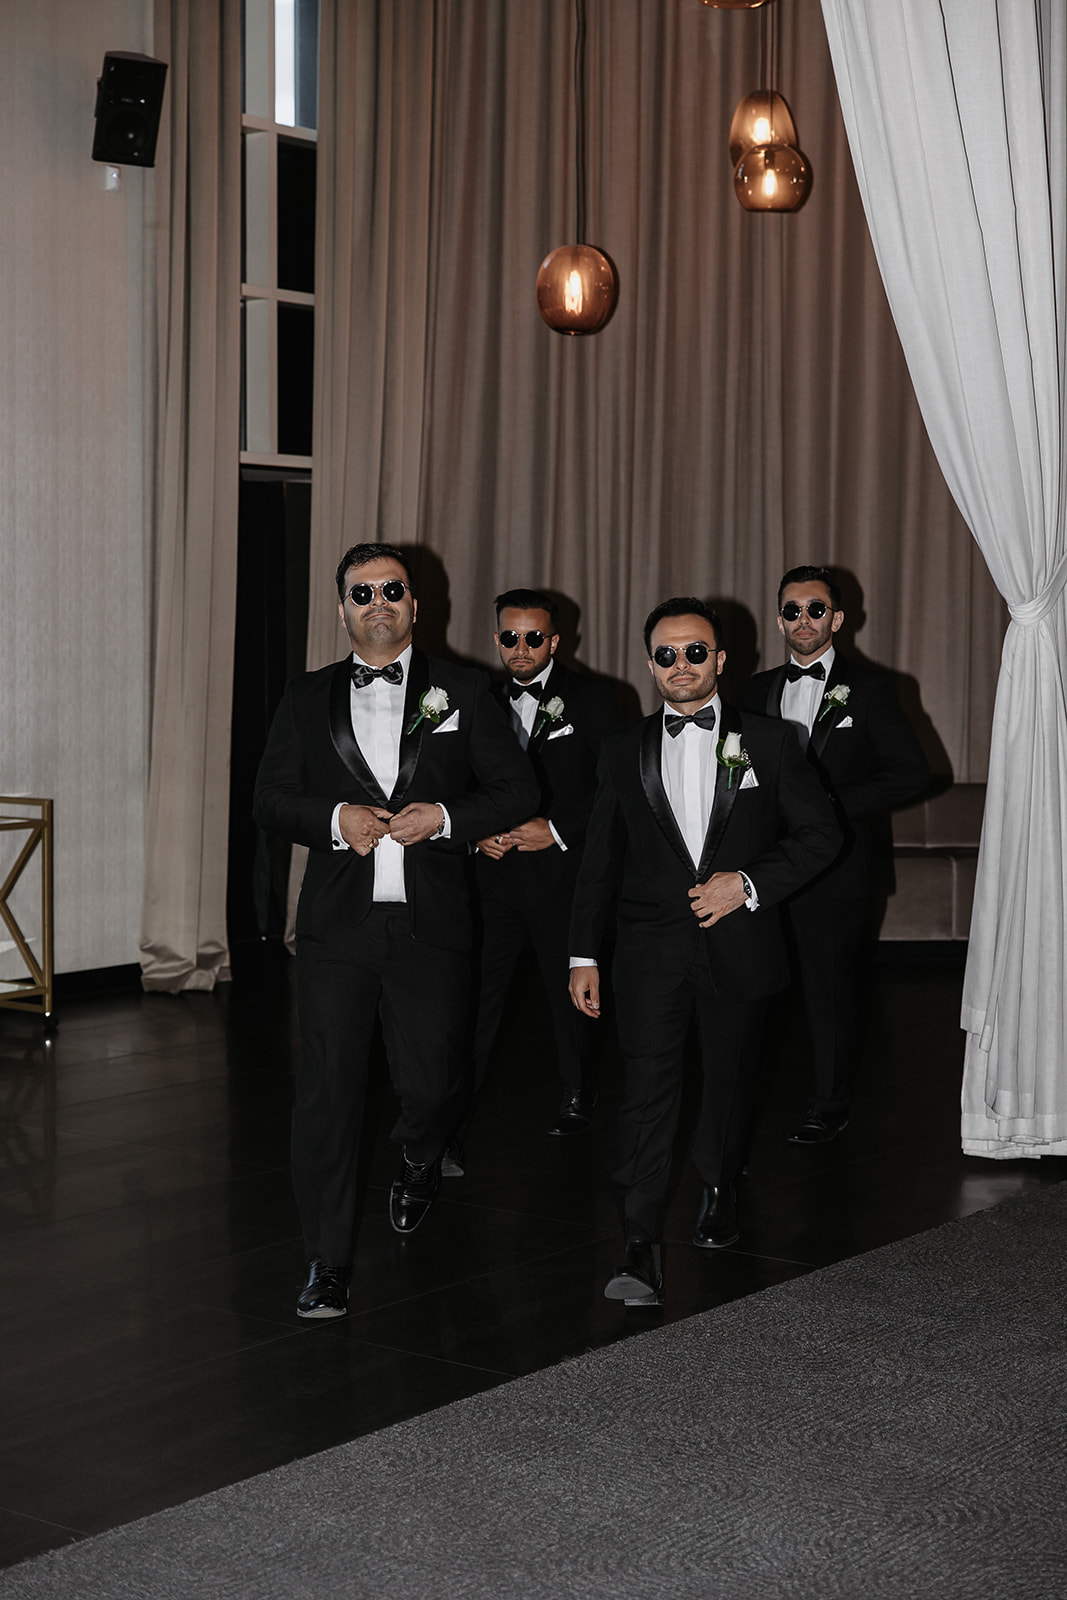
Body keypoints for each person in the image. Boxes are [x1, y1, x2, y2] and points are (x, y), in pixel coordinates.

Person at [253, 543, 537, 1320]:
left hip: (432, 924)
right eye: (361, 592)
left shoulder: (465, 691)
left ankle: (419, 1152)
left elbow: (515, 790)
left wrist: (443, 816)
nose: (377, 602)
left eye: (391, 590)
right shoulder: (305, 696)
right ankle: (326, 1261)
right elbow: (270, 799)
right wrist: (333, 818)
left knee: (436, 1081)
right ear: (342, 608)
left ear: (415, 603)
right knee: (327, 1095)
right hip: (336, 928)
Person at [569, 597, 841, 1306]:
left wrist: (746, 884)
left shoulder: (771, 741)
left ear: (720, 659)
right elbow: (599, 860)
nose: (681, 665)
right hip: (649, 949)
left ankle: (719, 1185)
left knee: (729, 1079)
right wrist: (581, 954)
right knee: (646, 1088)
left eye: (695, 652)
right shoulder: (622, 749)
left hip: (740, 942)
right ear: (650, 663)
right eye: (666, 654)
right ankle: (637, 1237)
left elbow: (820, 836)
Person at [744, 565, 930, 1143]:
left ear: (838, 618)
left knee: (828, 988)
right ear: (780, 621)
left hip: (836, 868)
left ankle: (829, 1103)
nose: (804, 619)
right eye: (793, 610)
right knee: (753, 983)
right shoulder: (751, 691)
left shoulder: (872, 689)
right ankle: (743, 1099)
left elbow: (911, 774)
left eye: (816, 609)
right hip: (760, 867)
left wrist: (824, 806)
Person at [461, 588, 620, 1149]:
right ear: (497, 638)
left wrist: (555, 830)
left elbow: (612, 787)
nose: (521, 647)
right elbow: (457, 779)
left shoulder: (596, 699)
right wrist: (475, 831)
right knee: (477, 992)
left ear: (554, 641)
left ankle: (579, 1089)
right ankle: (455, 1102)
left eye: (533, 637)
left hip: (563, 877)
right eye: (510, 637)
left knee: (569, 988)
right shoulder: (478, 697)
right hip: (493, 878)